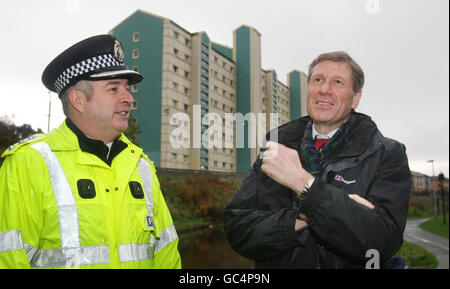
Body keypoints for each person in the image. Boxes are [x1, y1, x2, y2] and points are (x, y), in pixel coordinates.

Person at [0, 34, 181, 268]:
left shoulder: (141, 165)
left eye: (126, 88)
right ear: (78, 100)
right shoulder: (29, 162)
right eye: (113, 89)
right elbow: (9, 259)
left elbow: (167, 255)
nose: (128, 98)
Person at [223, 51, 411, 269]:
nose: (324, 89)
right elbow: (237, 229)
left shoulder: (387, 154)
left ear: (355, 98)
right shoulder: (276, 148)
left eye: (338, 82)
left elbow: (381, 242)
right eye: (318, 80)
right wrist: (305, 217)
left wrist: (302, 184)